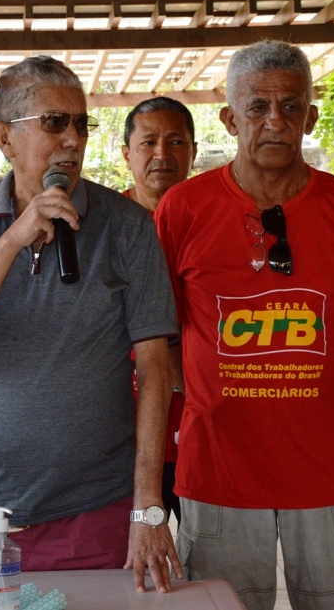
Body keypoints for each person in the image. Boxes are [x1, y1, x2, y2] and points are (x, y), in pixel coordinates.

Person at [0, 55, 182, 593]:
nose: (73, 139)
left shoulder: (128, 228)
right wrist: (12, 240)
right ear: (5, 138)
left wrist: (148, 507)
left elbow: (156, 370)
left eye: (81, 123)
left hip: (91, 510)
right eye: (54, 122)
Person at [155, 40, 334, 610]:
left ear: (309, 118)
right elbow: (160, 335)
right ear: (229, 118)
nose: (275, 121)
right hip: (218, 469)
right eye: (257, 107)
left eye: (291, 107)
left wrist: (311, 389)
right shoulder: (182, 209)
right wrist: (208, 393)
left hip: (329, 467)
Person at [121, 97, 197, 526]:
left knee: (209, 553)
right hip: (127, 428)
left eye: (176, 142)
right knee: (134, 549)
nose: (162, 154)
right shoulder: (104, 226)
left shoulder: (218, 222)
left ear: (194, 151)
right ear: (127, 153)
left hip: (202, 425)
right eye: (148, 142)